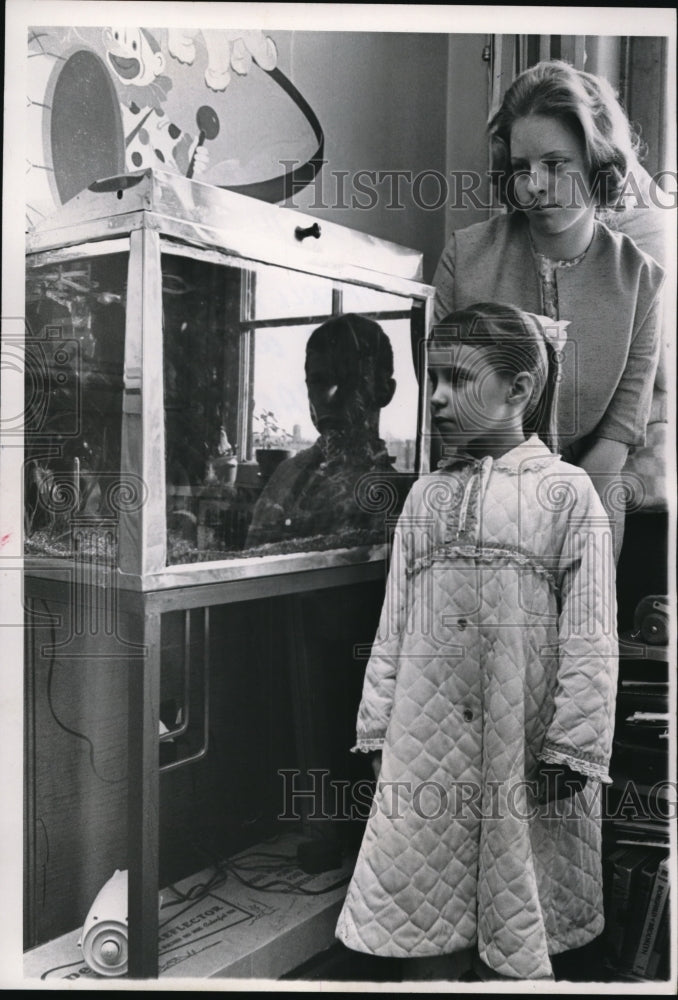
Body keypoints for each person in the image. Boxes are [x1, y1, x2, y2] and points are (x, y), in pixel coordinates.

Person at [335, 303, 619, 981]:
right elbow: (394, 624)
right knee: (422, 912)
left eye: (457, 379)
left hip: (523, 738)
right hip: (424, 744)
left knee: (518, 911)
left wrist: (574, 748)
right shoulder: (425, 498)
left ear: (518, 389)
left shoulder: (569, 494)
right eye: (431, 378)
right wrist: (377, 728)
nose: (435, 395)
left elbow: (591, 633)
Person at [433, 60, 666, 557]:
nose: (534, 185)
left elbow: (609, 458)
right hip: (474, 523)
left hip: (587, 517)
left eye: (555, 166)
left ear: (596, 162)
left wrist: (587, 593)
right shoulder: (463, 259)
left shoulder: (642, 282)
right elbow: (449, 437)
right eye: (521, 168)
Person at [246, 314, 403, 549]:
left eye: (348, 380)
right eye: (319, 381)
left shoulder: (398, 492)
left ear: (384, 392)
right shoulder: (286, 474)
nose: (330, 396)